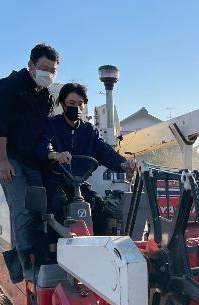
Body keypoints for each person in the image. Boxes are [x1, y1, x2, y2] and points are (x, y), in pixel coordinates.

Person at [0, 43, 59, 282]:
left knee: (41, 206)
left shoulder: (47, 97)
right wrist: (3, 161)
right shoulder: (11, 86)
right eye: (43, 68)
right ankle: (24, 264)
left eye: (52, 70)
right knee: (23, 207)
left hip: (30, 159)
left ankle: (40, 254)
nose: (47, 74)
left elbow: (44, 133)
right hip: (8, 155)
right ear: (31, 65)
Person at [37, 82, 136, 250]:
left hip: (78, 182)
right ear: (62, 104)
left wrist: (123, 164)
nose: (76, 107)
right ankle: (54, 251)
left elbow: (104, 152)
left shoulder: (88, 130)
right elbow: (43, 146)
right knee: (56, 205)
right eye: (71, 104)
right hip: (55, 180)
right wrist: (55, 154)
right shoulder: (51, 125)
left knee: (99, 207)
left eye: (80, 104)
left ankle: (102, 250)